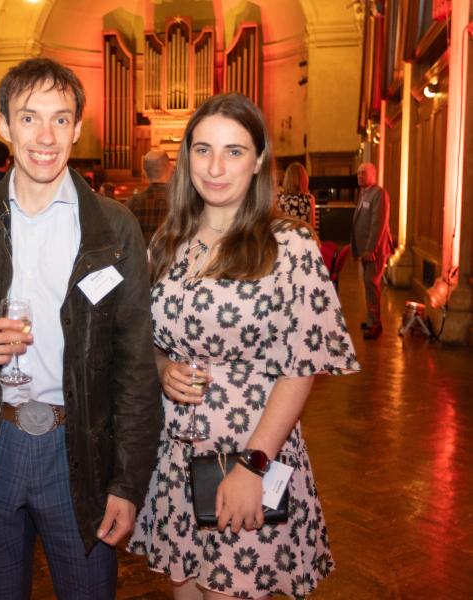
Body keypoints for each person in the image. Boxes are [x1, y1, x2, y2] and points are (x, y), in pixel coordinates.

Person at [0, 57, 162, 600]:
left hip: (78, 446)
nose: (45, 136)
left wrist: (127, 484)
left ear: (78, 128)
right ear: (5, 125)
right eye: (29, 118)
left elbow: (135, 363)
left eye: (61, 119)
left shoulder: (112, 225)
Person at [127, 93, 360, 599]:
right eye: (203, 149)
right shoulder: (170, 240)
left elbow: (302, 365)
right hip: (175, 455)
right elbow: (148, 334)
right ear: (186, 155)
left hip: (249, 449)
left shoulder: (288, 245)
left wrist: (254, 464)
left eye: (234, 151)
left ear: (258, 161)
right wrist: (163, 364)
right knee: (186, 588)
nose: (215, 166)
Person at [351, 162, 392, 340]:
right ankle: (371, 318)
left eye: (363, 173)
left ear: (373, 175)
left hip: (374, 250)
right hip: (365, 249)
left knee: (372, 283)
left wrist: (370, 248)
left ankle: (375, 323)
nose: (360, 176)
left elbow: (378, 224)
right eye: (358, 173)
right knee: (368, 284)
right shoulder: (364, 193)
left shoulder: (379, 194)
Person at [127, 149, 172, 246]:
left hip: (141, 259)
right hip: (171, 259)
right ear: (169, 169)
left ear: (145, 173)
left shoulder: (133, 202)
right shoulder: (180, 202)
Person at [277, 162, 316, 231]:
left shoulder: (279, 197)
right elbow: (312, 226)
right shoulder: (310, 198)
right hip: (302, 239)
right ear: (304, 179)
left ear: (287, 178)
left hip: (284, 238)